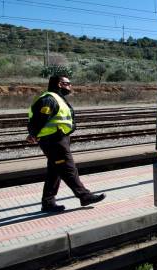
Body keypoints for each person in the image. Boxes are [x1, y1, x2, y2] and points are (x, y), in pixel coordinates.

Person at [26, 75, 106, 212]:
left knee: (55, 171)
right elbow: (39, 119)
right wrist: (33, 134)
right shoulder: (49, 99)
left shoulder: (58, 99)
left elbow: (65, 118)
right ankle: (84, 195)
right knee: (69, 169)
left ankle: (48, 203)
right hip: (53, 140)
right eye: (68, 83)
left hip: (59, 138)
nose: (70, 86)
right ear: (59, 84)